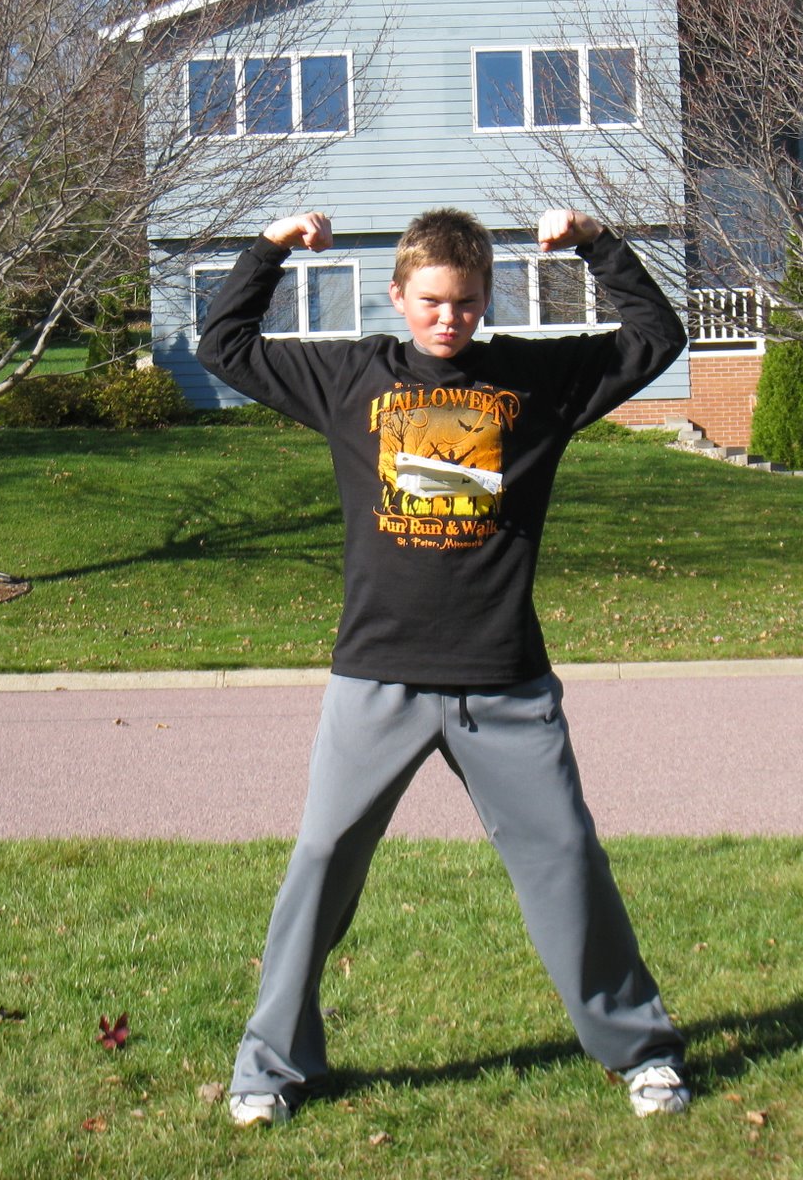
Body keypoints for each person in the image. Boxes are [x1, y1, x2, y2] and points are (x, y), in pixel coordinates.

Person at [195, 206, 690, 1126]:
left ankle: (643, 1052)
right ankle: (268, 1069)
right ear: (398, 297)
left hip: (504, 681)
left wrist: (595, 242)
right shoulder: (351, 377)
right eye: (430, 302)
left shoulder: (535, 382)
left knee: (566, 858)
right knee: (321, 860)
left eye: (464, 302)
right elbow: (223, 344)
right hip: (376, 675)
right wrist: (269, 248)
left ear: (485, 298)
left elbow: (657, 336)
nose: (448, 319)